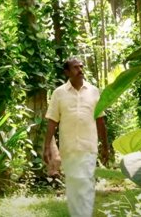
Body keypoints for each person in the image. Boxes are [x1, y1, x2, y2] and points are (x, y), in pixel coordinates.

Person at [43, 57, 109, 217]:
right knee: (73, 183)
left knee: (86, 181)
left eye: (81, 67)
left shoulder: (93, 91)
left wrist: (106, 146)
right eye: (75, 67)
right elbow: (52, 121)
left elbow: (100, 120)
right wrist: (47, 147)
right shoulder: (59, 93)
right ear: (67, 72)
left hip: (89, 146)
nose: (80, 70)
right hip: (69, 147)